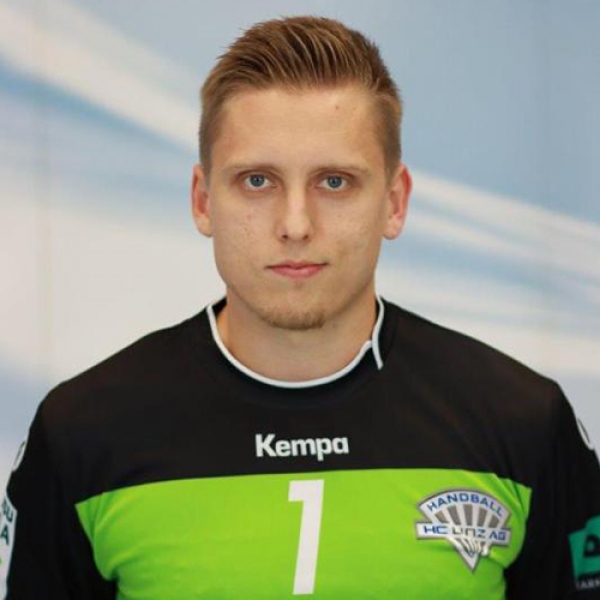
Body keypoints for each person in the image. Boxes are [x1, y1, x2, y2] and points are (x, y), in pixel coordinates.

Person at [1, 14, 599, 600]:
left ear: (394, 202)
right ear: (203, 201)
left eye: (334, 182)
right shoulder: (83, 432)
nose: (295, 224)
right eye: (257, 181)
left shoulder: (522, 423)